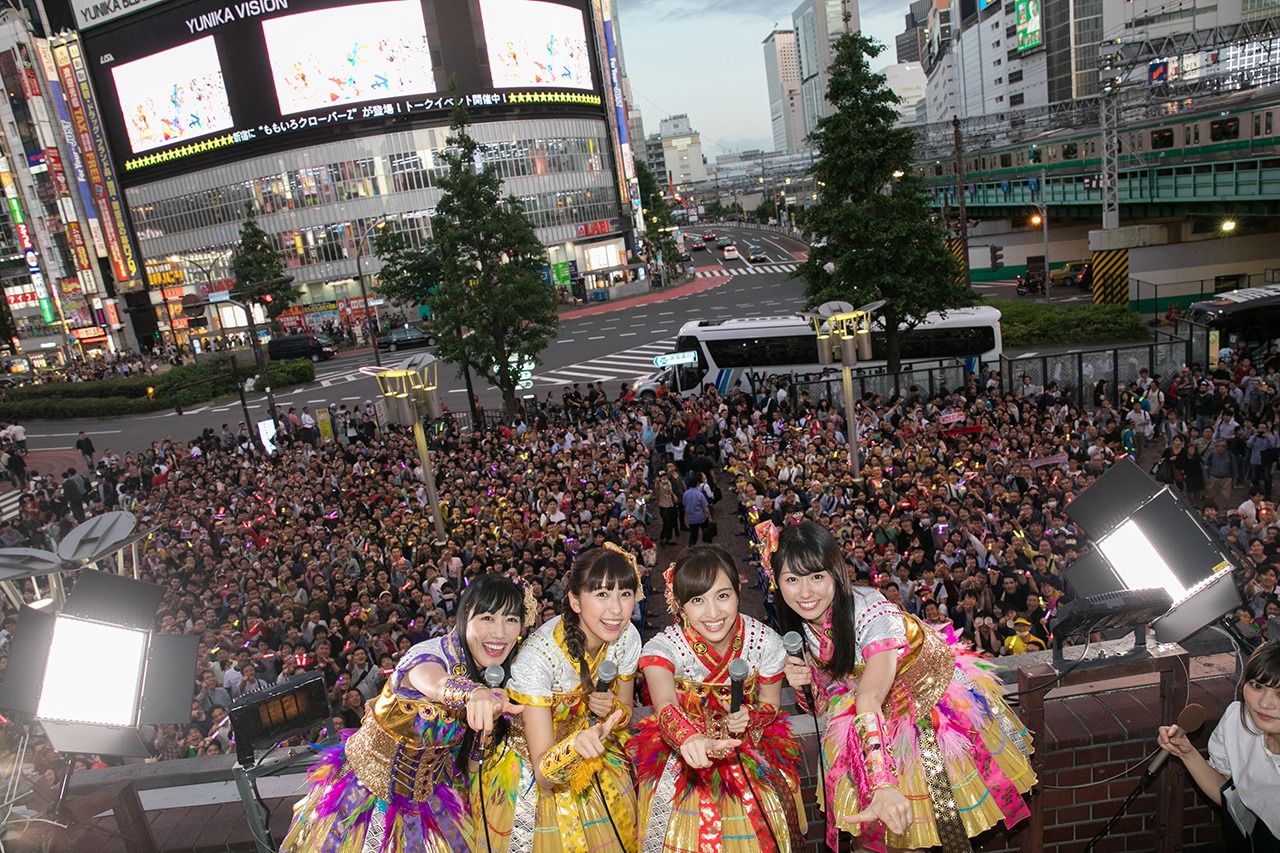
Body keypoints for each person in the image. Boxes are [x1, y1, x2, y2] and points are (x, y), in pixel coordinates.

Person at [774, 520, 1036, 853]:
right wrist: (803, 683)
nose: (806, 592)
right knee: (873, 839)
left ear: (836, 573)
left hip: (926, 711)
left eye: (816, 576)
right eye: (792, 580)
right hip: (872, 721)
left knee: (918, 831)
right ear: (778, 583)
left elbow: (868, 697)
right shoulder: (804, 624)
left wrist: (882, 784)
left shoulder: (872, 611)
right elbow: (823, 704)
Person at [281, 574, 527, 853]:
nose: (500, 633)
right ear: (464, 617)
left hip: (433, 800)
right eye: (487, 618)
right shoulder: (430, 654)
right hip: (365, 802)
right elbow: (434, 682)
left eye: (511, 619)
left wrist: (487, 728)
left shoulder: (489, 672)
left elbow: (470, 765)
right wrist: (472, 694)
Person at [630, 543, 806, 852]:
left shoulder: (765, 641)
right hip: (685, 762)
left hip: (749, 753)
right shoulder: (663, 648)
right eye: (697, 600)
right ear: (680, 604)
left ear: (738, 590)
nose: (713, 613)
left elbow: (771, 704)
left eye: (722, 596)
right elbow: (665, 706)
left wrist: (752, 716)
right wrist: (690, 739)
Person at [503, 544, 641, 853]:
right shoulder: (538, 658)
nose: (617, 610)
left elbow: (626, 714)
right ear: (575, 601)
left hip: (596, 757)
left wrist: (612, 710)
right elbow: (543, 774)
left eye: (625, 594)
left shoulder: (627, 637)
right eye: (602, 595)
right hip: (532, 777)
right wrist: (575, 745)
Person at [1157, 640, 1280, 851]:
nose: (1266, 703)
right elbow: (1229, 793)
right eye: (1257, 686)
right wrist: (1187, 753)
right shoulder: (1237, 720)